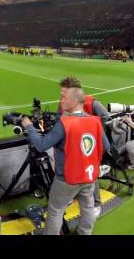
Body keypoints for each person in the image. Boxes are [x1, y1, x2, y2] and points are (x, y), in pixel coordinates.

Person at [21, 87, 107, 235]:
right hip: (89, 177)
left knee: (56, 210)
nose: (61, 101)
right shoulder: (95, 121)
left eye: (64, 97)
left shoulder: (65, 123)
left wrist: (29, 126)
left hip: (67, 179)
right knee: (87, 207)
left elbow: (41, 145)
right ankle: (84, 232)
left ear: (74, 101)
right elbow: (106, 146)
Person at [58, 76, 110, 218]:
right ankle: (71, 196)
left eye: (64, 93)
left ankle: (97, 204)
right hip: (71, 146)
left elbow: (105, 117)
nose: (62, 96)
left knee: (90, 174)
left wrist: (92, 131)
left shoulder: (92, 103)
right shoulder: (62, 103)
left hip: (87, 145)